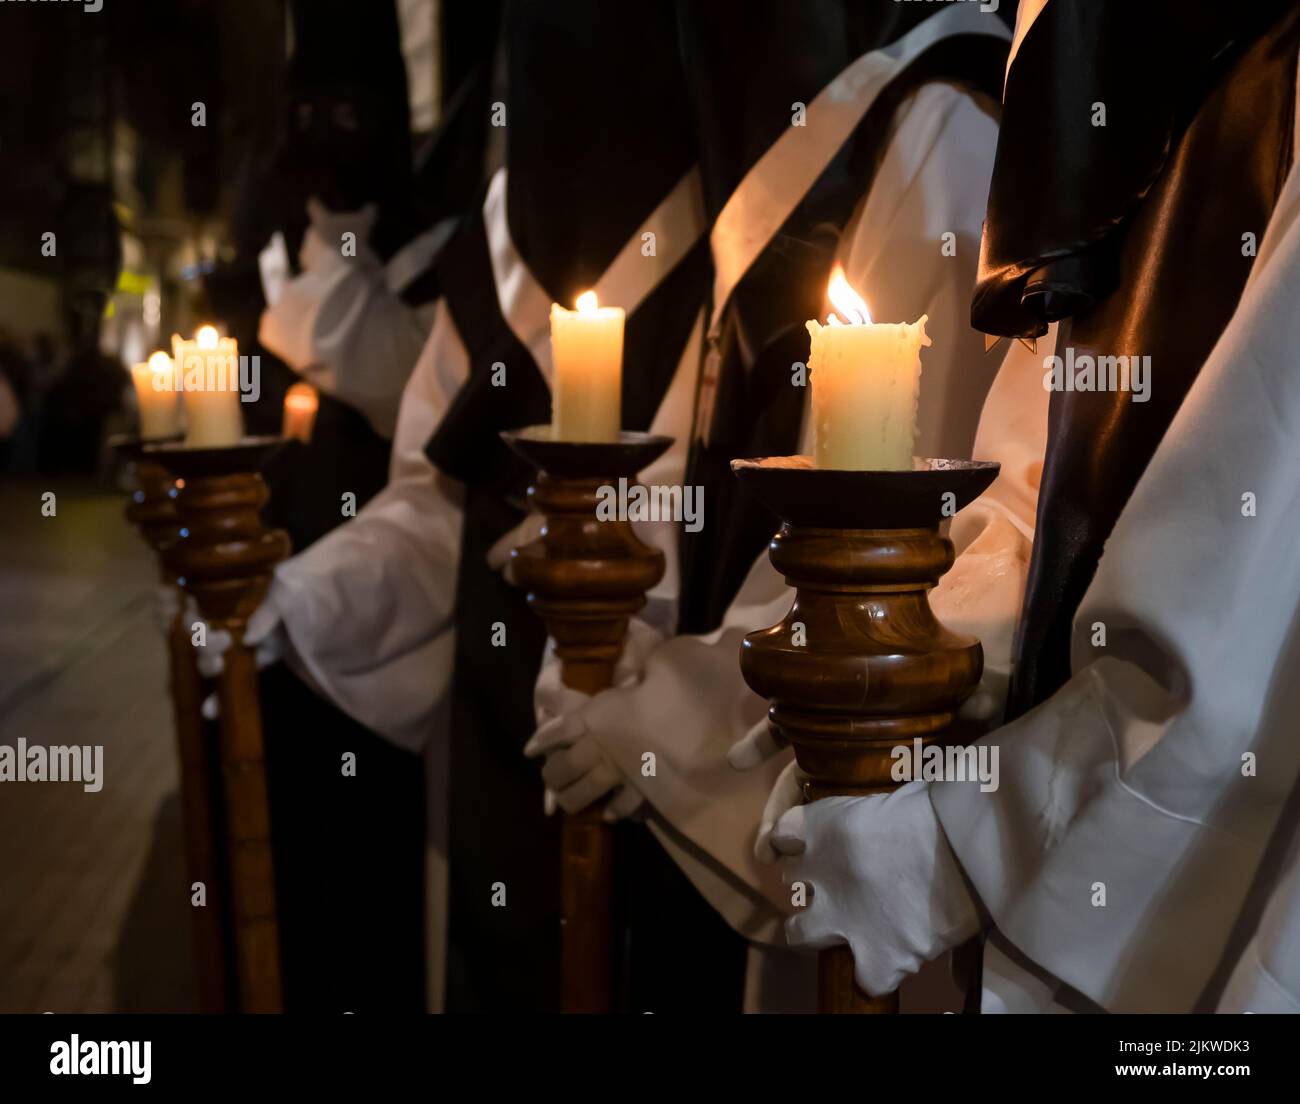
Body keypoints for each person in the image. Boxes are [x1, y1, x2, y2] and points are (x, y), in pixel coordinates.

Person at [760, 0, 1300, 1012]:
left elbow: (1231, 629)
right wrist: (860, 683)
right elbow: (1027, 522)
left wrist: (945, 854)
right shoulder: (1111, 63)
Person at [227, 0, 720, 1011]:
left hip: (676, 784)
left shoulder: (745, 247)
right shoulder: (490, 256)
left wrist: (665, 700)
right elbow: (432, 507)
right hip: (489, 752)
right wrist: (295, 598)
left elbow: (726, 524)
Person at [523, 0, 1016, 1010]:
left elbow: (905, 538)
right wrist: (628, 621)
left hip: (869, 794)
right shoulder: (777, 155)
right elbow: (706, 431)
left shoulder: (947, 128)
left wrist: (664, 718)